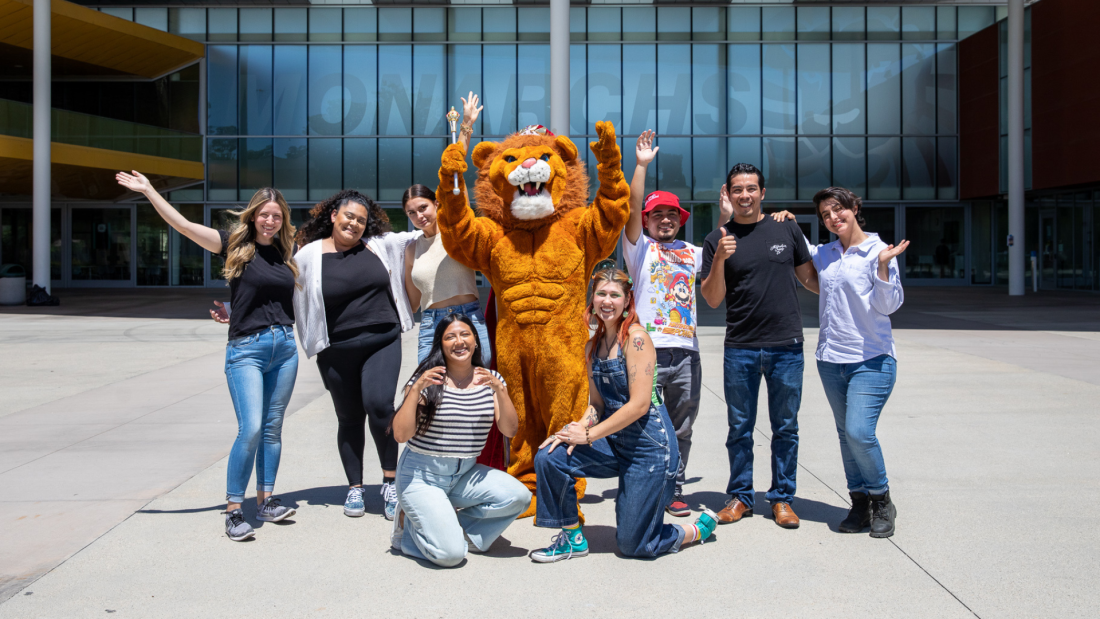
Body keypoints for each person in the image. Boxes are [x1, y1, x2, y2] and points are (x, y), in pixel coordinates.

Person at [116, 171, 298, 541]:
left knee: (272, 428)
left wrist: (236, 310)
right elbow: (181, 225)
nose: (270, 220)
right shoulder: (232, 243)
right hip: (247, 350)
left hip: (285, 348)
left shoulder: (286, 252)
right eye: (264, 214)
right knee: (250, 428)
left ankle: (265, 500)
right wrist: (149, 190)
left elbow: (270, 298)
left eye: (276, 215)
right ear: (252, 216)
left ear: (283, 220)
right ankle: (234, 510)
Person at [529, 267, 719, 563]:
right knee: (550, 455)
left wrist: (589, 435)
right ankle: (572, 538)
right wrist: (574, 430)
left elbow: (640, 404)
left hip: (650, 449)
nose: (607, 301)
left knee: (633, 545)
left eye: (615, 295)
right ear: (592, 299)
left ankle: (693, 530)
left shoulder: (637, 339)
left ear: (627, 300)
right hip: (616, 442)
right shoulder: (592, 346)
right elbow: (597, 406)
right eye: (601, 294)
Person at [699, 163, 819, 530]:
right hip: (741, 347)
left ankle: (782, 499)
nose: (745, 195)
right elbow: (713, 299)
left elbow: (812, 280)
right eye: (738, 189)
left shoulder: (786, 227)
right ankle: (740, 497)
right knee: (739, 428)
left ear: (762, 193)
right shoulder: (716, 238)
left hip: (786, 346)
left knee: (786, 428)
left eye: (752, 188)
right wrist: (720, 256)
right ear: (728, 193)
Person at [620, 130, 732, 517]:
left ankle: (674, 487)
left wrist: (726, 216)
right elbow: (632, 205)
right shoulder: (639, 248)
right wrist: (641, 165)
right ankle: (640, 482)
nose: (665, 220)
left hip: (686, 352)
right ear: (646, 221)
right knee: (640, 420)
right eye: (657, 215)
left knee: (681, 427)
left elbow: (722, 248)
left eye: (672, 215)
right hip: (645, 350)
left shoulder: (691, 251)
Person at [293, 190, 420, 521]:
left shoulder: (380, 245)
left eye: (362, 220)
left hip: (382, 338)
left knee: (379, 406)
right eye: (349, 216)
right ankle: (355, 487)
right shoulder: (308, 256)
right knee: (349, 418)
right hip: (336, 350)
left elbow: (421, 232)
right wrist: (238, 308)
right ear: (334, 215)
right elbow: (282, 287)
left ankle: (390, 482)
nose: (355, 223)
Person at [389, 314, 530, 567]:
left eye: (465, 334)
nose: (459, 341)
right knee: (450, 556)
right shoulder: (429, 380)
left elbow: (509, 430)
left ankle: (453, 530)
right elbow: (400, 435)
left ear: (476, 340)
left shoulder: (491, 379)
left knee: (518, 496)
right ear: (440, 344)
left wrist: (501, 391)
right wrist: (414, 391)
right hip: (422, 476)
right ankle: (409, 529)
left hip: (464, 474)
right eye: (450, 337)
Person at [807, 187, 908, 538]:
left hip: (872, 359)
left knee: (859, 432)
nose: (833, 218)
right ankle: (859, 501)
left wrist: (882, 268)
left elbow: (890, 305)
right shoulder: (825, 253)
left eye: (838, 210)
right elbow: (795, 251)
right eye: (825, 215)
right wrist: (785, 220)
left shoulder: (878, 251)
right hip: (831, 359)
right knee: (844, 435)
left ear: (853, 208)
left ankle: (882, 499)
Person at [403, 184, 491, 367]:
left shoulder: (456, 235)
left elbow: (465, 207)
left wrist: (455, 172)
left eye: (422, 208)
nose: (419, 216)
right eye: (411, 213)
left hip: (470, 316)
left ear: (436, 204)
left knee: (481, 375)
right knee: (431, 379)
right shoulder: (412, 249)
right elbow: (412, 303)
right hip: (432, 322)